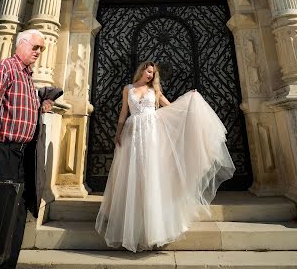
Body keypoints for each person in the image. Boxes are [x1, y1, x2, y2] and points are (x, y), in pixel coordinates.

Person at [95, 60, 235, 252]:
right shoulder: (128, 89)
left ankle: (154, 226)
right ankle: (133, 221)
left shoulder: (156, 92)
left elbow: (171, 109)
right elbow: (123, 113)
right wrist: (117, 133)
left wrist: (190, 100)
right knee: (133, 174)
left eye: (153, 73)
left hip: (152, 135)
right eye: (148, 71)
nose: (150, 75)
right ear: (142, 71)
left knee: (151, 174)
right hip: (132, 134)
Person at [0, 28, 53, 269]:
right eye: (35, 47)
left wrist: (41, 106)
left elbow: (17, 110)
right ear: (21, 44)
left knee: (17, 215)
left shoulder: (27, 77)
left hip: (21, 155)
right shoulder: (5, 68)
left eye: (41, 49)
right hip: (2, 150)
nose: (38, 52)